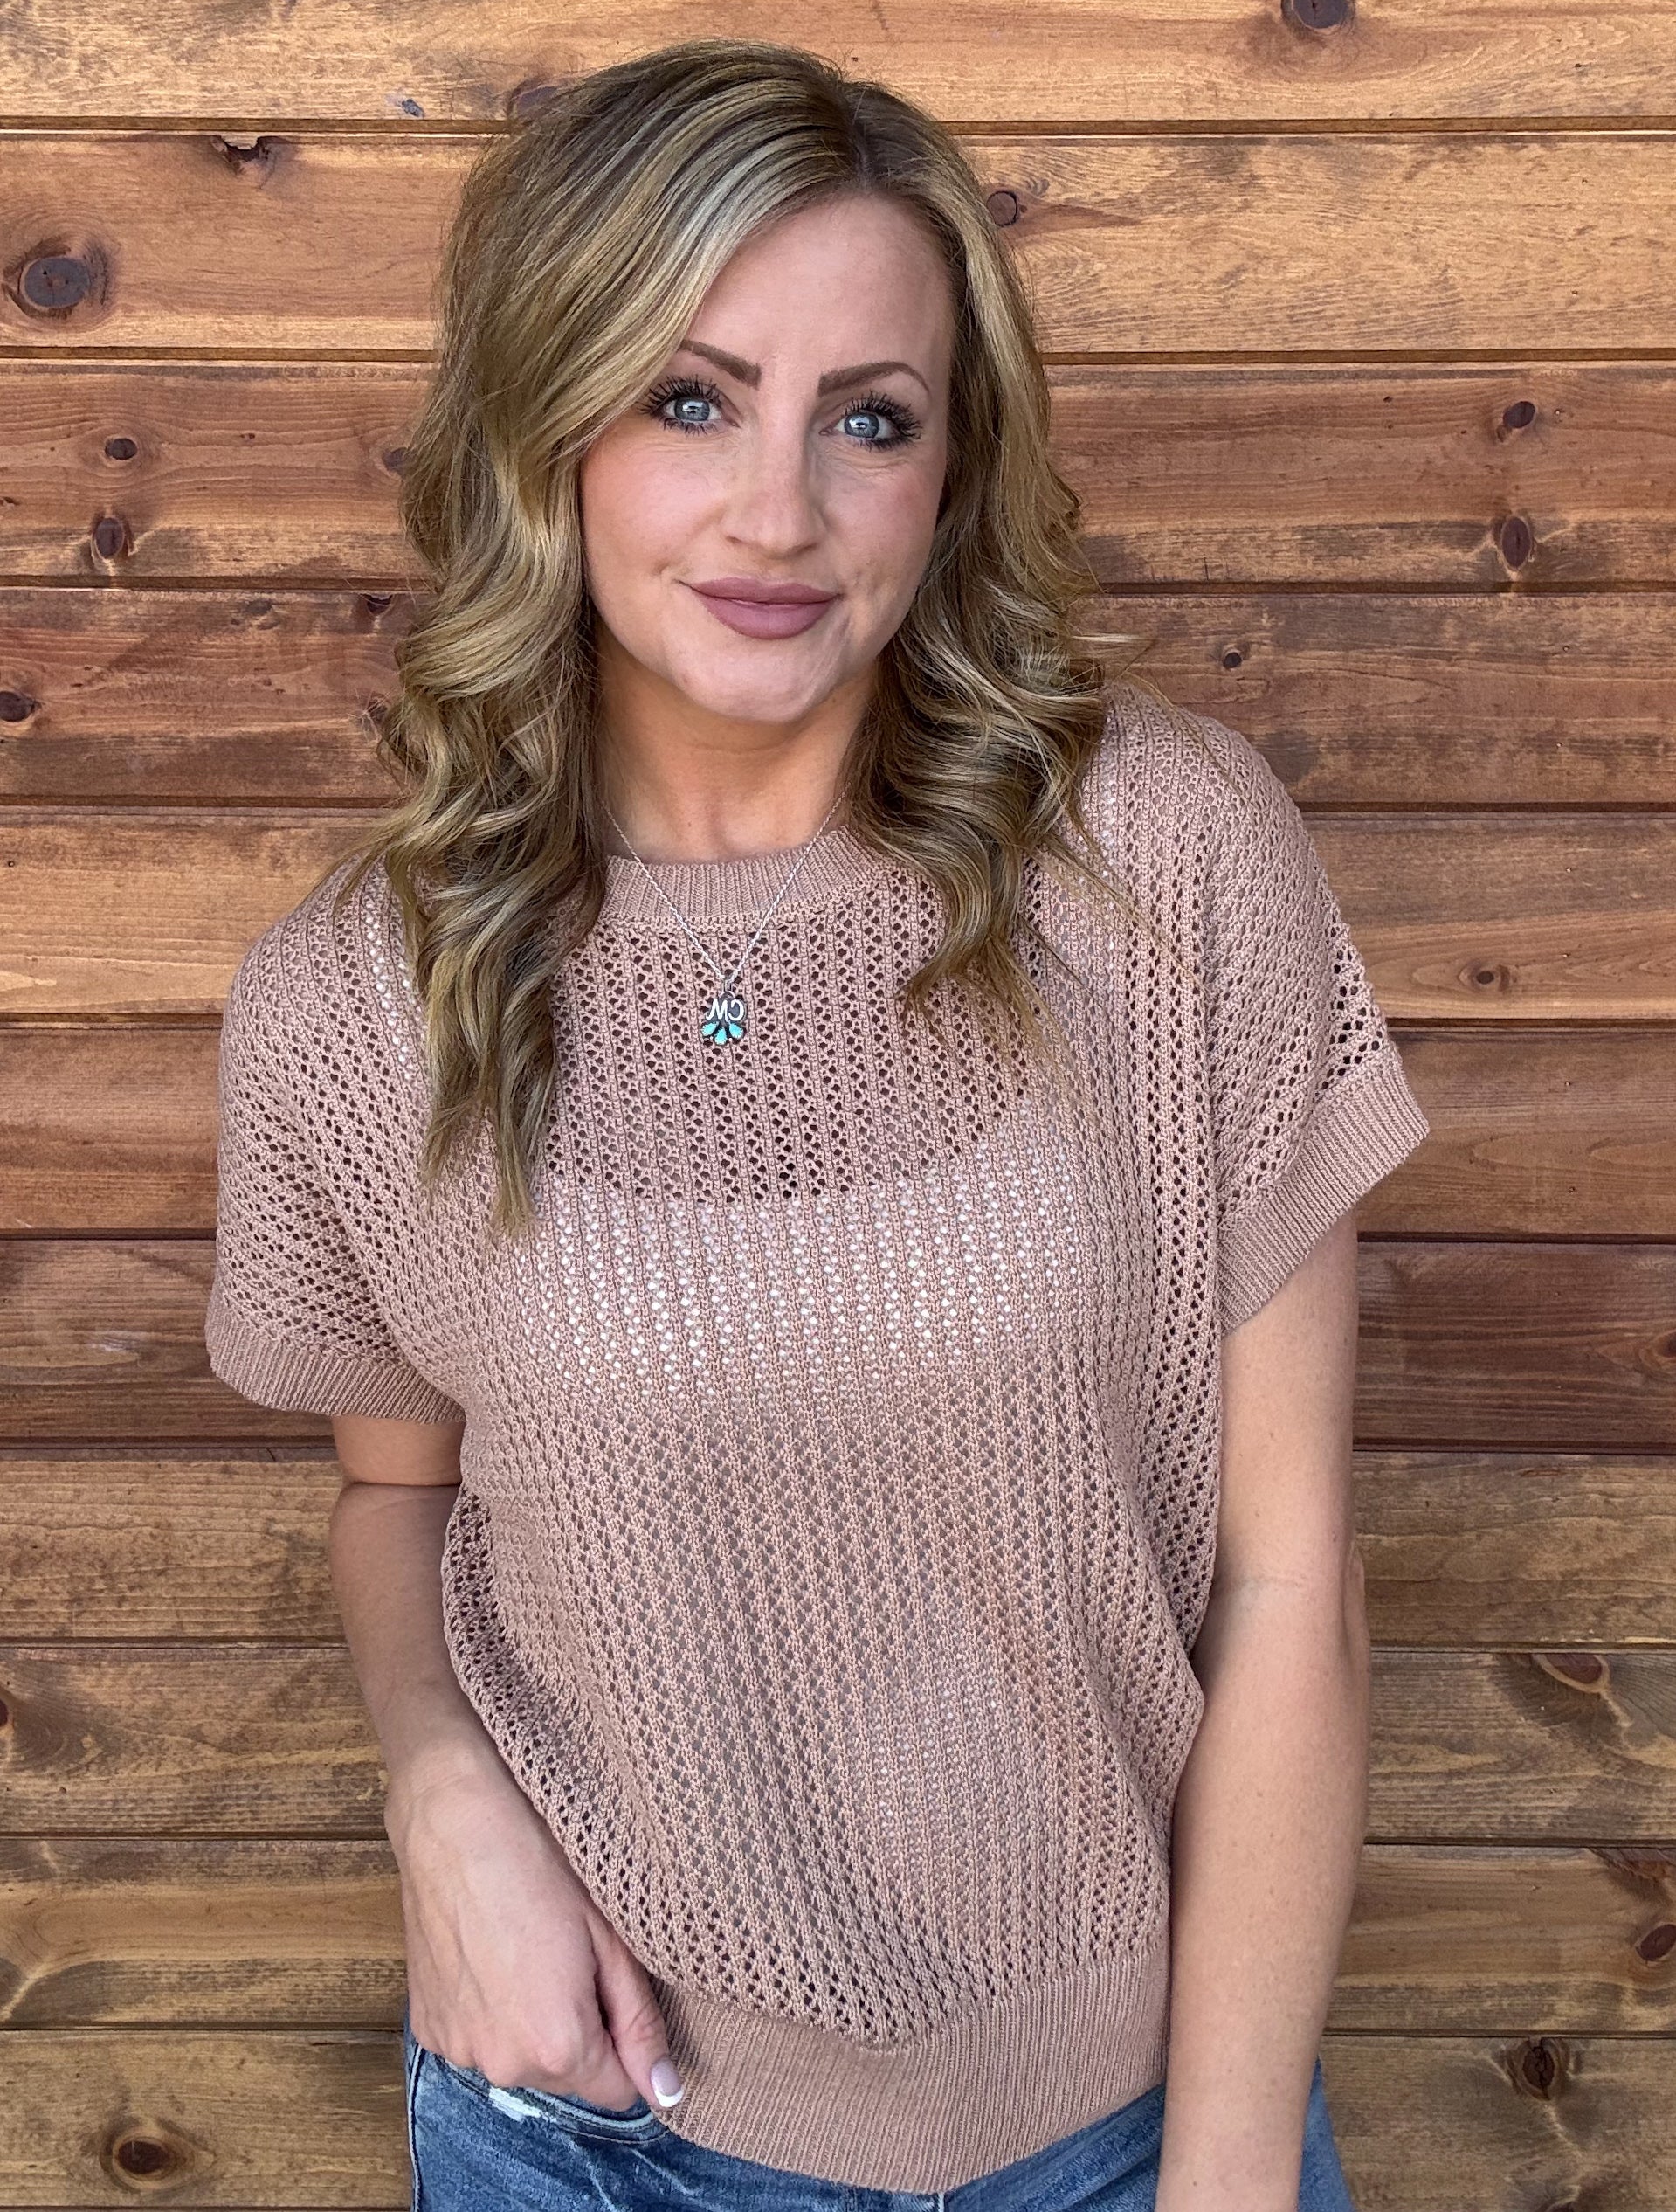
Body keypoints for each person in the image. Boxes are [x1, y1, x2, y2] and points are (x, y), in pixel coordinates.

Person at [204, 36, 1430, 2212]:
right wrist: (436, 1796)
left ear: (951, 472)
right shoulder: (357, 1003)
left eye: (869, 418)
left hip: (1132, 2129)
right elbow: (398, 1503)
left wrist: (1228, 2170)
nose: (779, 511)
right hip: (593, 2133)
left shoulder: (1163, 864)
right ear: (547, 428)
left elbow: (1291, 1582)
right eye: (690, 401)